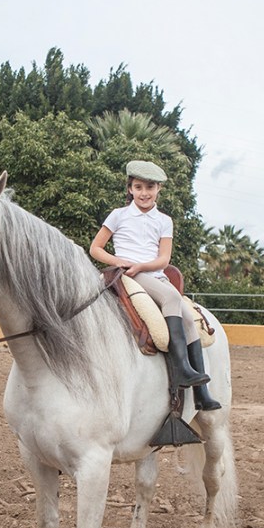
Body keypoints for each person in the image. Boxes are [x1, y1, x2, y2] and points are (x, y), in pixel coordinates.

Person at [90, 160, 221, 415]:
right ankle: (182, 368)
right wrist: (121, 261)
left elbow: (163, 259)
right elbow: (96, 248)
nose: (144, 192)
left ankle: (201, 392)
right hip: (128, 274)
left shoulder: (164, 221)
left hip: (152, 273)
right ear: (130, 189)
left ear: (158, 188)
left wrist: (144, 266)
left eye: (150, 187)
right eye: (138, 187)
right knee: (173, 297)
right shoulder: (118, 215)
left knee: (188, 320)